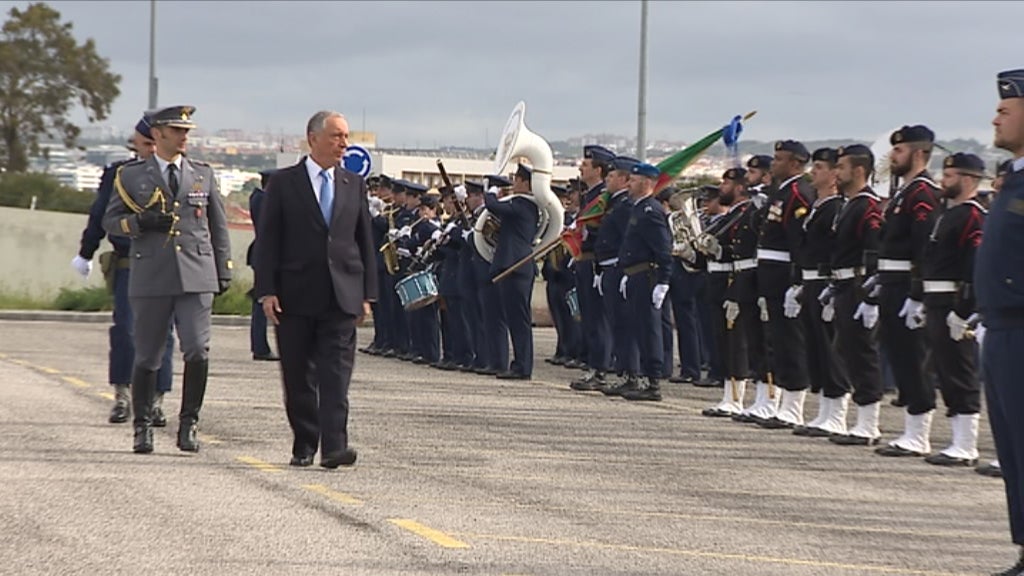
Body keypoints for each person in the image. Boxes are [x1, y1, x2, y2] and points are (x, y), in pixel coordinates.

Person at [102, 105, 233, 454]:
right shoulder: (131, 176)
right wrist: (139, 224)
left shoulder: (202, 174)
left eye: (187, 131)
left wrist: (224, 268)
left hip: (196, 273)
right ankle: (142, 426)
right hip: (152, 274)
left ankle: (189, 424)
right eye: (177, 130)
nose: (184, 136)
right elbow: (111, 221)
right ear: (157, 134)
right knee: (147, 355)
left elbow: (217, 225)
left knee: (196, 349)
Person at [255, 110, 377, 469]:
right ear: (313, 139)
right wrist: (267, 290)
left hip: (341, 295)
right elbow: (268, 241)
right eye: (337, 136)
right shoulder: (284, 183)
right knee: (298, 376)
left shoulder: (353, 183)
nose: (344, 143)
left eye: (345, 136)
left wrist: (367, 293)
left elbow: (363, 240)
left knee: (336, 375)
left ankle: (335, 447)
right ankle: (305, 442)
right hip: (294, 295)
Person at [74, 114, 177, 426]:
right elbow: (100, 213)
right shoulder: (118, 174)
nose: (145, 149)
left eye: (149, 143)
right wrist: (86, 252)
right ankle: (122, 395)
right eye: (141, 143)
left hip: (164, 264)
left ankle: (156, 400)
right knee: (125, 332)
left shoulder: (179, 174)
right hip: (129, 262)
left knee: (163, 336)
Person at [976, 69, 1024, 576]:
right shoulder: (1014, 179)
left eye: (1006, 110)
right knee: (1012, 449)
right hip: (1001, 327)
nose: (995, 116)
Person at [910, 152, 986, 467]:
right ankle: (957, 440)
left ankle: (966, 444)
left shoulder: (972, 215)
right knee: (945, 369)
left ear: (968, 179)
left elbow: (973, 266)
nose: (944, 180)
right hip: (937, 299)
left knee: (960, 370)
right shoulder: (948, 214)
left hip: (954, 301)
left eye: (952, 175)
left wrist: (963, 310)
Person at [820, 145, 884, 444]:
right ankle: (849, 418)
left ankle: (868, 424)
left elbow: (873, 248)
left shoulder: (867, 204)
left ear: (859, 170)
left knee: (862, 353)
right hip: (844, 285)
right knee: (844, 351)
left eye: (842, 166)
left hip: (858, 286)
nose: (837, 172)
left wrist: (871, 294)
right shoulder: (849, 204)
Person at [753, 140, 814, 429]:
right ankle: (777, 400)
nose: (773, 164)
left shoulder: (798, 193)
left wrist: (796, 281)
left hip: (783, 274)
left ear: (795, 163)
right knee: (775, 340)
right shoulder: (780, 192)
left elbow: (797, 244)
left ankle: (793, 405)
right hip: (769, 272)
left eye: (779, 159)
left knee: (791, 341)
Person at [790, 148, 850, 436]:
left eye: (819, 168)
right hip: (810, 280)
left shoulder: (836, 207)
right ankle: (824, 411)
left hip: (825, 281)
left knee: (830, 349)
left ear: (833, 174)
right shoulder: (817, 205)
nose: (813, 172)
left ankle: (836, 414)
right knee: (816, 349)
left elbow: (835, 250)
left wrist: (830, 287)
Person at [617, 162, 673, 401]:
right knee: (638, 328)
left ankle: (653, 382)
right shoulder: (639, 208)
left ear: (647, 183)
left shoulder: (651, 211)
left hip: (648, 277)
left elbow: (663, 249)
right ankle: (642, 378)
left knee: (649, 330)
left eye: (634, 179)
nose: (629, 183)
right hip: (635, 274)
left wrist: (664, 281)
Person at [484, 163, 539, 380]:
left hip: (516, 266)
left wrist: (491, 190)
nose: (514, 183)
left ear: (526, 183)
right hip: (513, 265)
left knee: (519, 319)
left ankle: (523, 366)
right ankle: (519, 364)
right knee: (515, 318)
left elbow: (492, 205)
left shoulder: (523, 204)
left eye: (517, 179)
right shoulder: (522, 205)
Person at [248, 169, 279, 361]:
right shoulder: (263, 200)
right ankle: (260, 347)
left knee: (261, 301)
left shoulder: (260, 198)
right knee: (262, 302)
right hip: (265, 256)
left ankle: (260, 345)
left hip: (262, 255)